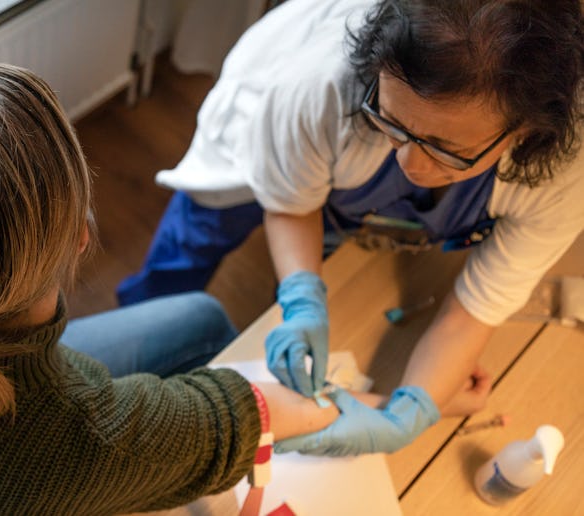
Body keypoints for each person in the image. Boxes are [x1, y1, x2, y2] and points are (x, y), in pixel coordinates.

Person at [0, 63, 388, 514]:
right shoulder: (83, 440)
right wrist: (375, 408)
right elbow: (239, 414)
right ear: (80, 238)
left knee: (199, 318)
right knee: (207, 328)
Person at [118, 0, 584, 455]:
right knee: (196, 235)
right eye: (392, 121)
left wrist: (410, 415)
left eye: (447, 149)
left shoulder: (568, 170)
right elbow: (291, 203)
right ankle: (137, 320)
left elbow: (476, 308)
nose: (410, 163)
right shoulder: (318, 85)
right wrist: (302, 298)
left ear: (526, 131)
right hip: (269, 128)